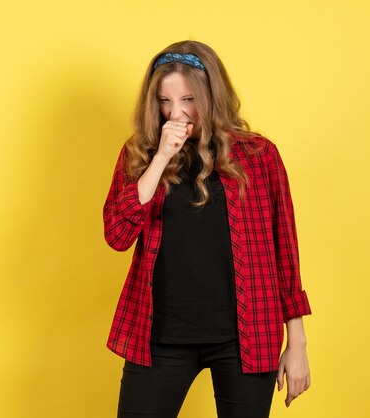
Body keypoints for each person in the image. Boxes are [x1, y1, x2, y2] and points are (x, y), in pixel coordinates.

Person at [102, 40, 312, 418]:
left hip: (246, 335)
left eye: (187, 100)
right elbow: (117, 235)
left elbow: (286, 250)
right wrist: (161, 157)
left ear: (211, 96)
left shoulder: (259, 156)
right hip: (160, 336)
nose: (175, 113)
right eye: (165, 101)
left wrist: (297, 344)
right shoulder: (140, 154)